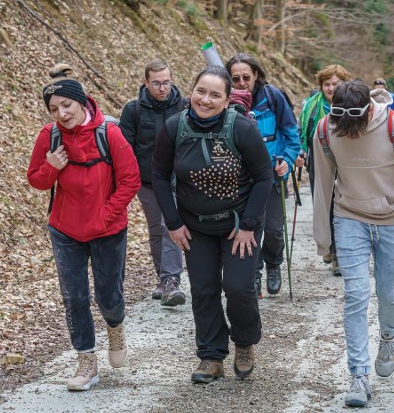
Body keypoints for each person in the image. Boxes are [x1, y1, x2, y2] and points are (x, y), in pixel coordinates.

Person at [313, 80, 394, 408]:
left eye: (356, 126)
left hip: (392, 219)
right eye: (344, 127)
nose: (350, 134)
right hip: (349, 216)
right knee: (355, 293)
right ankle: (358, 375)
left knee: (389, 294)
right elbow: (322, 185)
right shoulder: (325, 130)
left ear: (368, 111)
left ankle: (388, 337)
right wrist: (323, 238)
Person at [152, 66, 272, 383]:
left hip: (238, 225)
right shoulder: (174, 128)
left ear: (227, 99)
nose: (205, 100)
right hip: (195, 226)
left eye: (215, 95)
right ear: (191, 91)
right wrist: (174, 222)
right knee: (204, 290)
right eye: (201, 91)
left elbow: (264, 177)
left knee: (238, 287)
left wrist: (248, 224)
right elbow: (160, 177)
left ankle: (244, 342)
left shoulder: (242, 129)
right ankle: (210, 356)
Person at [27, 64, 141, 391]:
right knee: (74, 297)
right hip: (65, 230)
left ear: (81, 102)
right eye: (54, 109)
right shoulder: (48, 137)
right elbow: (35, 179)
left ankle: (115, 326)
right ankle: (86, 361)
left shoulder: (110, 133)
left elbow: (130, 179)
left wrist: (107, 215)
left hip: (108, 229)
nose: (62, 114)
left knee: (108, 295)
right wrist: (51, 168)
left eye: (67, 106)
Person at [226, 53, 301, 297]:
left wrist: (287, 160)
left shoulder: (273, 97)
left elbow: (291, 137)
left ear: (256, 75)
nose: (241, 82)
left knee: (273, 229)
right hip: (239, 179)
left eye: (246, 77)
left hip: (271, 175)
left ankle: (274, 264)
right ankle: (253, 275)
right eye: (235, 78)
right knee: (247, 229)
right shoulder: (224, 100)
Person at [119, 59, 187, 307]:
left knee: (169, 224)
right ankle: (163, 279)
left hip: (177, 180)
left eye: (166, 82)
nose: (162, 88)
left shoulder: (185, 107)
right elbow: (124, 148)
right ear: (146, 82)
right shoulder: (133, 110)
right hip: (146, 181)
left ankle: (171, 281)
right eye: (156, 83)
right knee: (156, 229)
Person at [298, 64, 351, 275]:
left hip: (347, 163)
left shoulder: (352, 105)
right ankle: (327, 245)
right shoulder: (311, 106)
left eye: (335, 84)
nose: (330, 89)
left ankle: (339, 254)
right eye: (326, 84)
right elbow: (302, 130)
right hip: (318, 163)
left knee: (342, 207)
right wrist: (300, 152)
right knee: (324, 205)